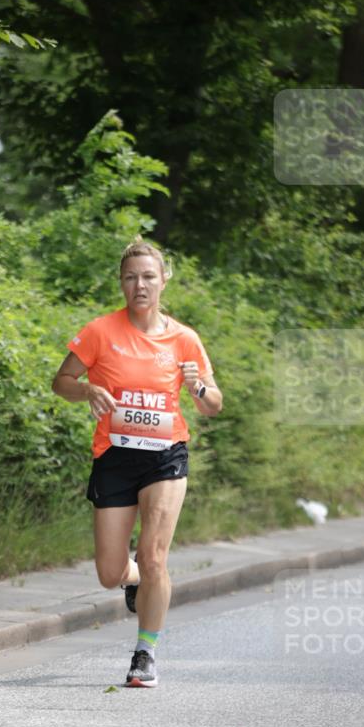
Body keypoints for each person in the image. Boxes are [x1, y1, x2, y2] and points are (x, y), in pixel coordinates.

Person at [52, 238, 222, 685]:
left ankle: (145, 654)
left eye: (148, 276)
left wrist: (198, 388)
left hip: (165, 456)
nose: (139, 285)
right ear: (122, 284)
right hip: (115, 456)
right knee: (110, 573)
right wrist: (87, 389)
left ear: (163, 280)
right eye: (131, 277)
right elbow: (61, 381)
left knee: (153, 555)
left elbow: (213, 404)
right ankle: (135, 582)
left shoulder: (184, 339)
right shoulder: (100, 332)